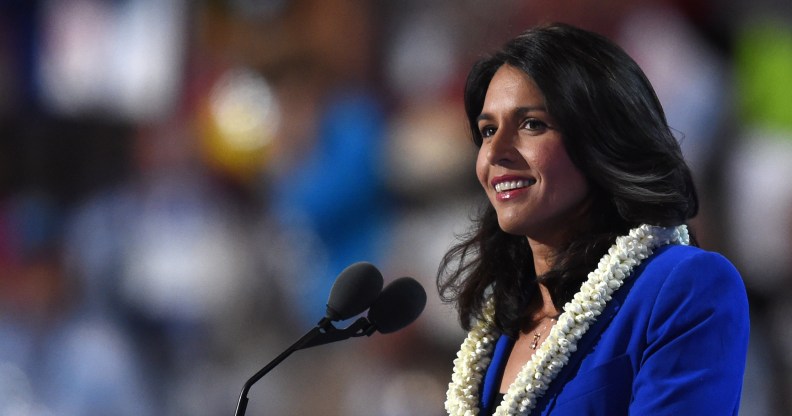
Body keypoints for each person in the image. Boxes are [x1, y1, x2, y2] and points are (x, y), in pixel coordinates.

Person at [438, 23, 749, 415]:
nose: (495, 152)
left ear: (602, 138)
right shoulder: (502, 322)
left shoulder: (683, 286)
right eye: (487, 130)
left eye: (531, 124)